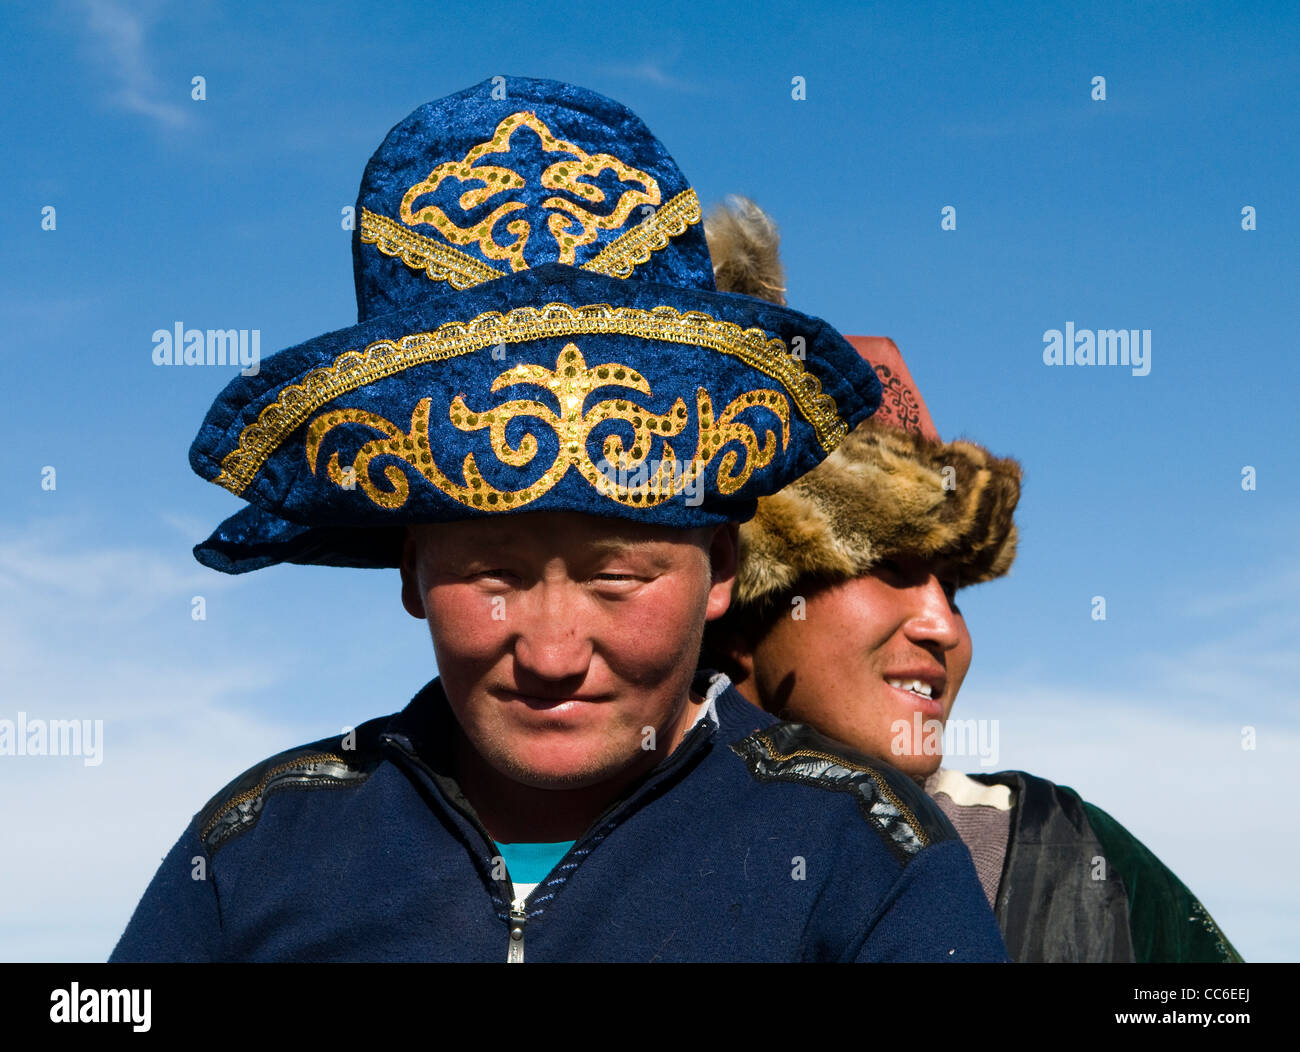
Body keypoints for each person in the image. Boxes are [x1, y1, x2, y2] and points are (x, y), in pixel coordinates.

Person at [109, 79, 1009, 963]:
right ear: (411, 571)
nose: (550, 653)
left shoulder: (866, 861)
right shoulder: (256, 851)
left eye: (617, 577)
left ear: (721, 566)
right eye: (493, 575)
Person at [702, 196, 1242, 963]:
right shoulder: (594, 852)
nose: (944, 626)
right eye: (890, 568)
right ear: (745, 612)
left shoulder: (1073, 861)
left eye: (953, 588)